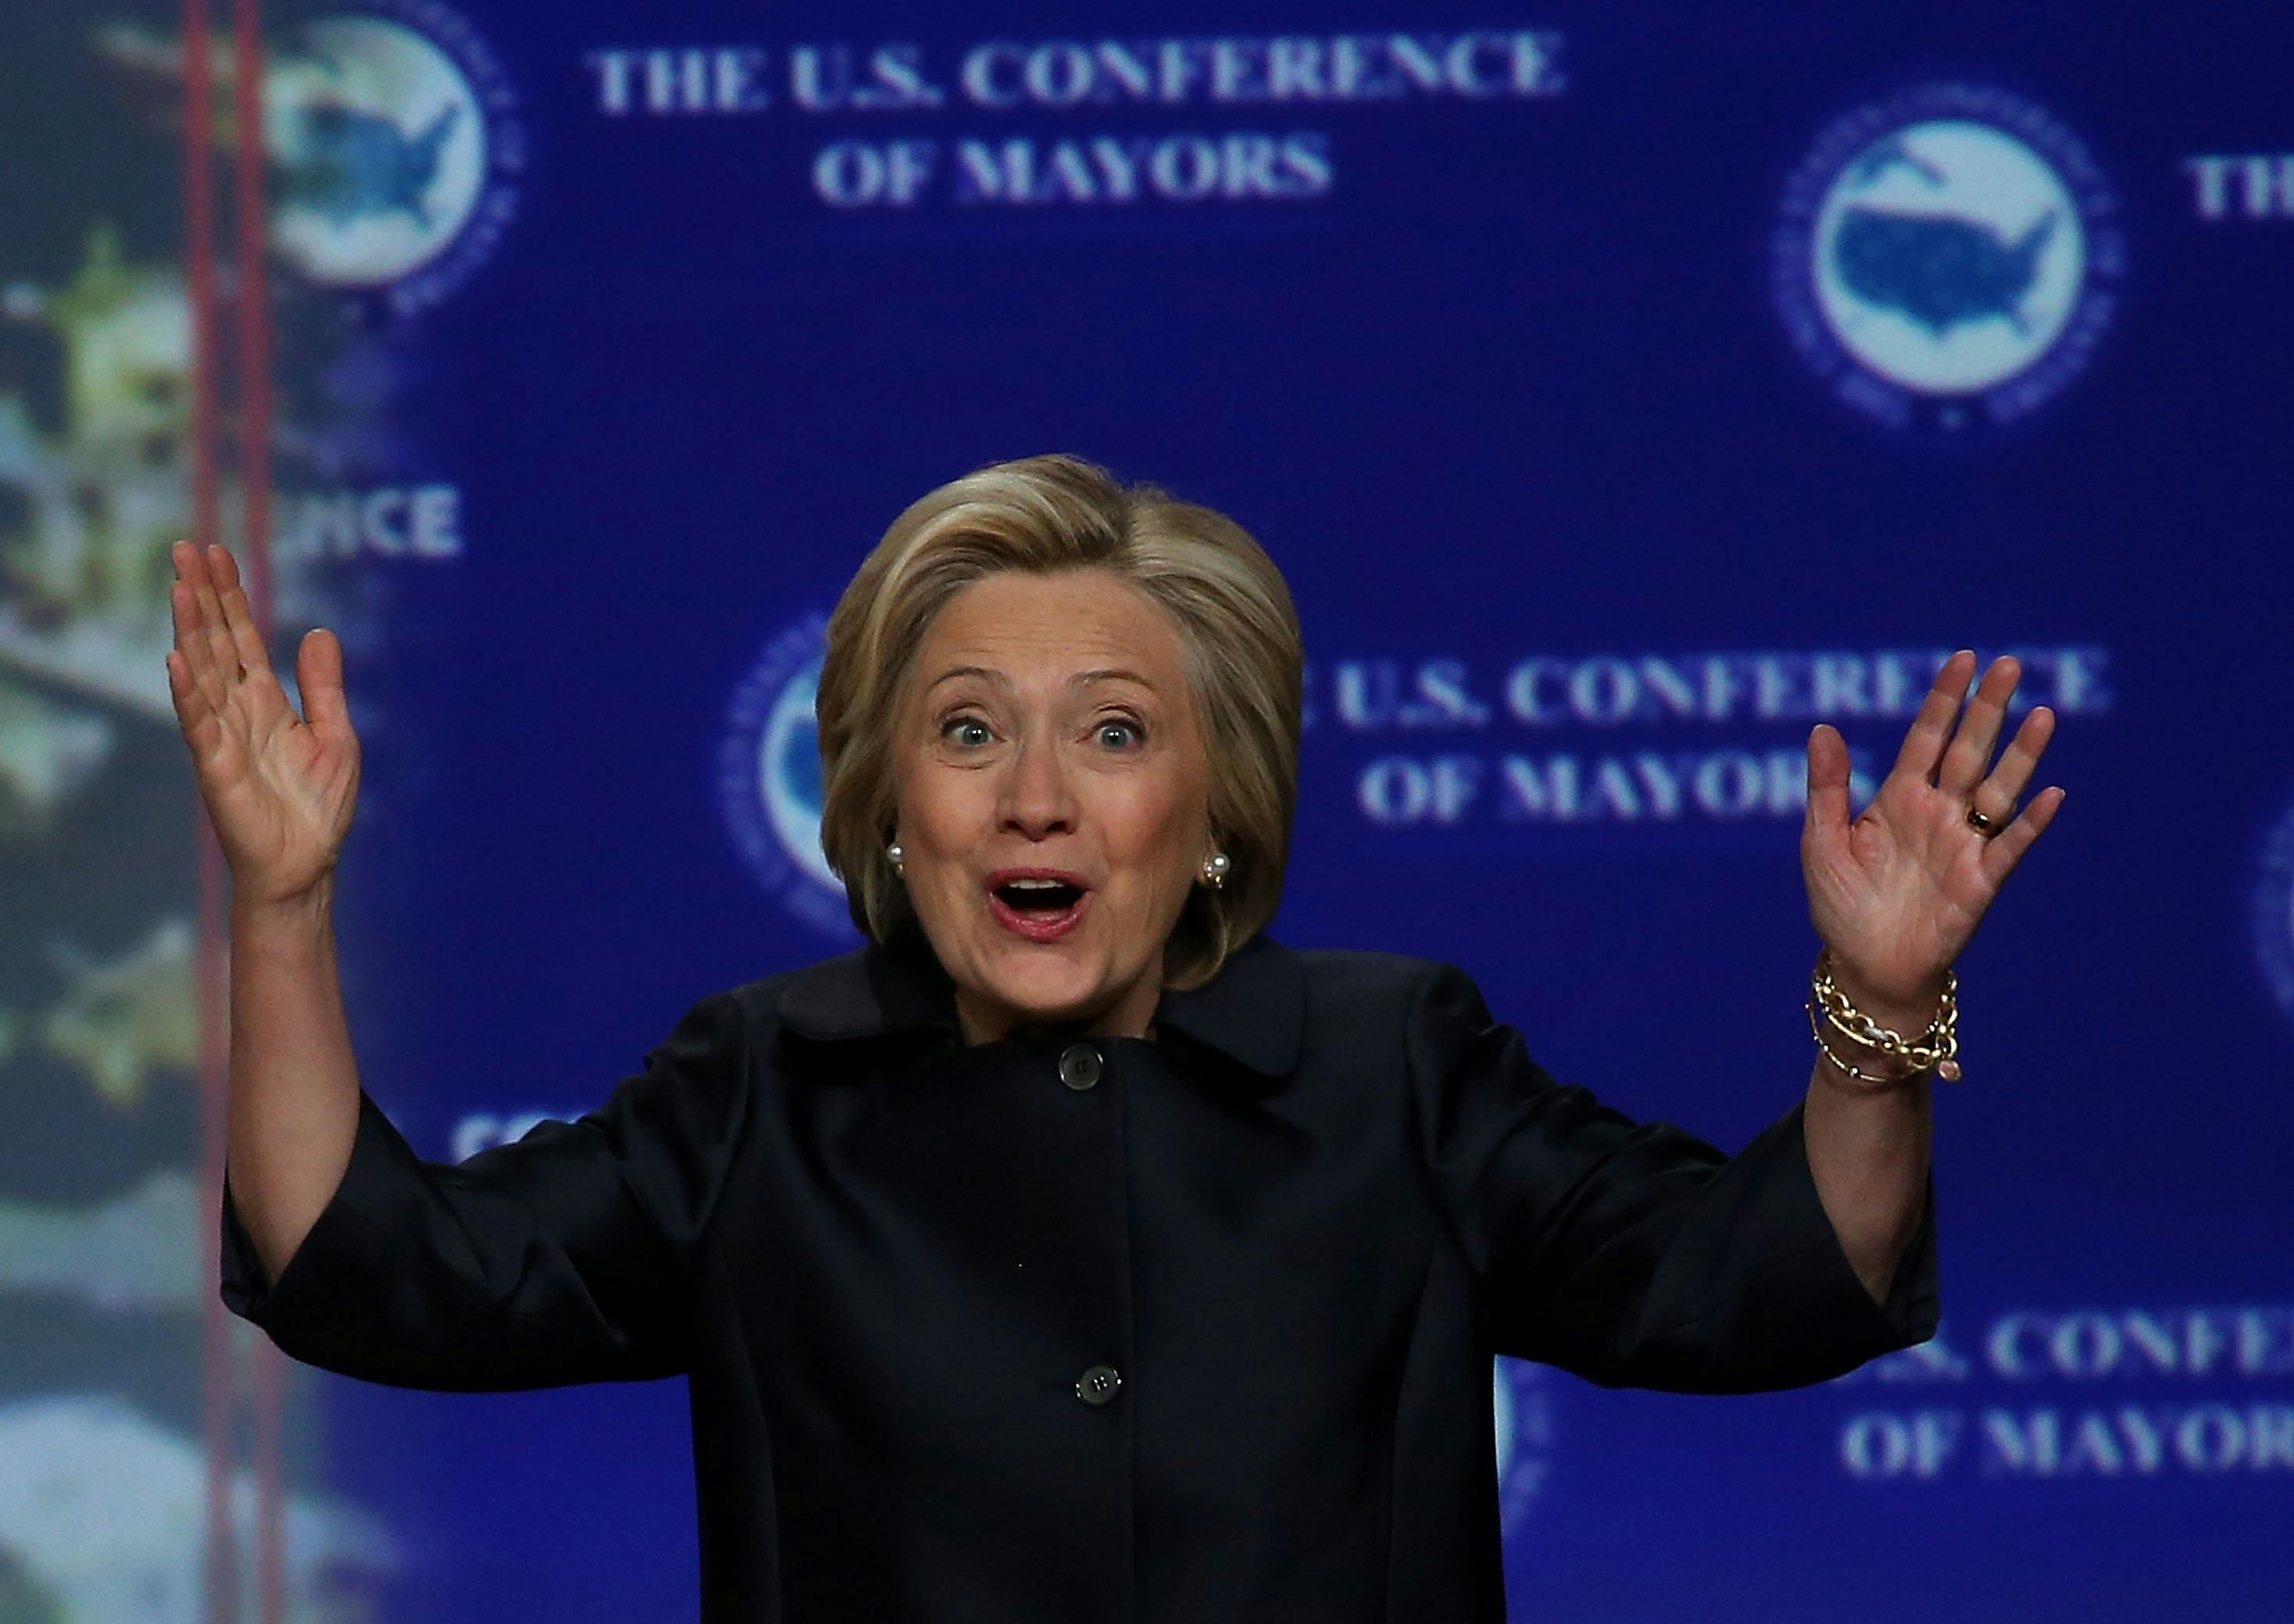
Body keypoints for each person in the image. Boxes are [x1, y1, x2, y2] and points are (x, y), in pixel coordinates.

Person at [168, 453, 2063, 1622]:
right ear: (887, 805)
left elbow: (1766, 1274)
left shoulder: (1392, 1066)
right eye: (969, 730)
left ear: (1216, 800)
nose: (1035, 796)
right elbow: (369, 1266)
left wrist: (1885, 1010)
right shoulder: (763, 1088)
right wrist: (279, 902)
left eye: (1116, 730)